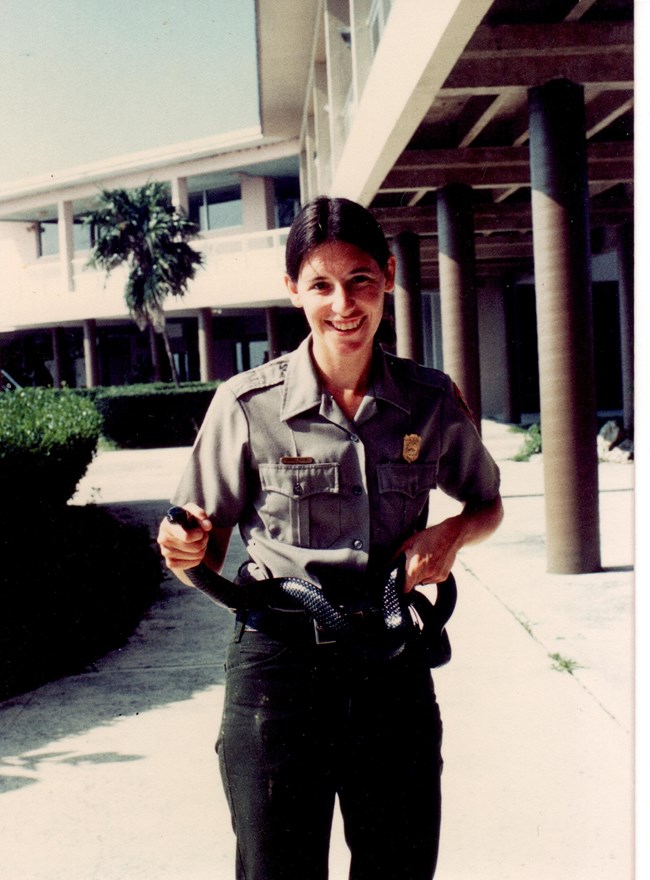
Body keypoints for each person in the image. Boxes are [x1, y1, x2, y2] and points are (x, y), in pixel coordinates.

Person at [157, 196, 503, 880]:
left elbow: (487, 502)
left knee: (398, 865)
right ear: (294, 291)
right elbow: (200, 543)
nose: (343, 303)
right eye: (321, 284)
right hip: (278, 670)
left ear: (389, 278)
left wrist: (454, 534)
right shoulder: (247, 405)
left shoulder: (430, 400)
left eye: (360, 281)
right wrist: (185, 551)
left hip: (390, 662)